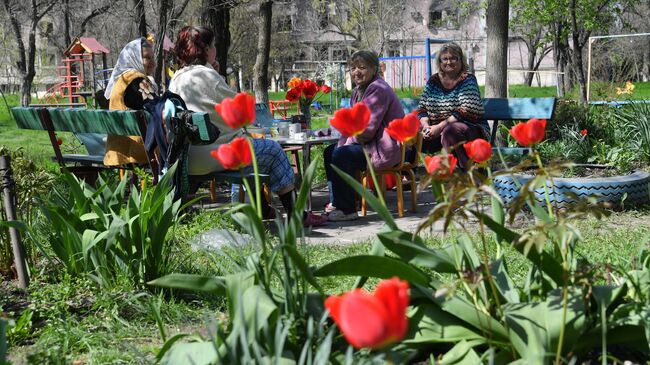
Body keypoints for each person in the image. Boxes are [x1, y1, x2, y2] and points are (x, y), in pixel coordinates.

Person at [169, 25, 326, 226]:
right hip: (214, 155)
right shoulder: (206, 75)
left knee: (253, 151)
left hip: (187, 158)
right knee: (273, 151)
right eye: (214, 45)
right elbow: (241, 109)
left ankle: (264, 208)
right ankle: (297, 215)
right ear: (206, 49)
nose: (216, 49)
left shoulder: (177, 78)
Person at [323, 50, 404, 221]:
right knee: (330, 152)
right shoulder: (358, 91)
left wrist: (345, 143)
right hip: (369, 144)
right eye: (352, 68)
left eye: (362, 67)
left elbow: (366, 129)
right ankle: (338, 201)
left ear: (374, 69)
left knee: (341, 154)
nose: (356, 72)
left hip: (384, 148)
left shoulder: (378, 89)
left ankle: (347, 210)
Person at [417, 42, 489, 169]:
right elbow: (422, 108)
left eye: (453, 58)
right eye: (445, 59)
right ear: (439, 62)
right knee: (411, 133)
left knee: (450, 131)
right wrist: (426, 126)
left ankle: (467, 171)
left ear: (461, 60)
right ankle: (405, 174)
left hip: (469, 130)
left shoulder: (467, 79)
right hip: (437, 132)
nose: (448, 62)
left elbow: (466, 111)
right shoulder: (434, 81)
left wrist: (439, 127)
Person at [103, 37, 157, 166]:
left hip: (117, 150)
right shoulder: (137, 80)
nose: (152, 62)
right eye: (147, 58)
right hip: (136, 152)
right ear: (135, 58)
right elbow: (158, 107)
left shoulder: (121, 79)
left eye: (152, 57)